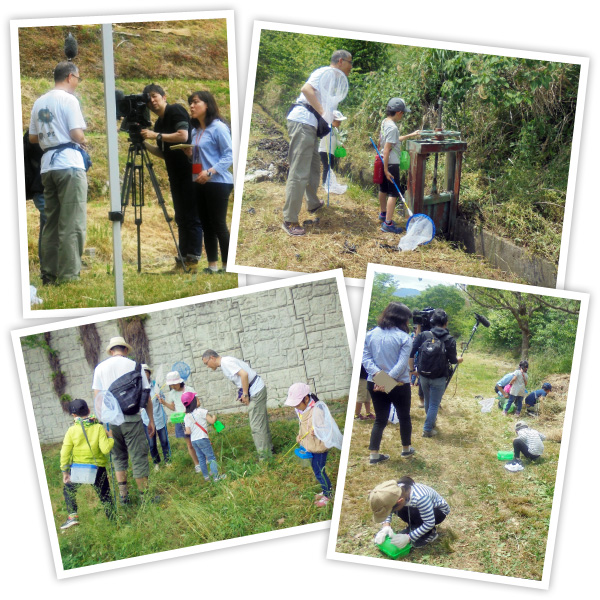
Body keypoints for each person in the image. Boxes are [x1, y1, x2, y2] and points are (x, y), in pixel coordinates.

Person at [28, 61, 88, 285]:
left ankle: (49, 274)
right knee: (72, 222)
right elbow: (76, 134)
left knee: (51, 222)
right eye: (77, 79)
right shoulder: (68, 99)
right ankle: (69, 275)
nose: (77, 83)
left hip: (48, 167)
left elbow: (33, 138)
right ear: (70, 77)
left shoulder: (39, 101)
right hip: (69, 164)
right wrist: (84, 140)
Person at [282, 50, 352, 237]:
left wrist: (330, 114)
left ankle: (313, 203)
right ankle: (289, 220)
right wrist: (323, 112)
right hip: (303, 122)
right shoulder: (325, 72)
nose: (351, 67)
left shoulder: (334, 79)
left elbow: (323, 103)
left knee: (313, 167)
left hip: (311, 126)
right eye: (350, 62)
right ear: (340, 61)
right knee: (299, 171)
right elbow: (306, 89)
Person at [140, 84, 202, 266]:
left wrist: (155, 135)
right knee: (180, 215)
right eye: (148, 99)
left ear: (163, 97)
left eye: (154, 96)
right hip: (175, 173)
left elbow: (183, 136)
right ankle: (183, 254)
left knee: (192, 214)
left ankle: (195, 254)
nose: (152, 101)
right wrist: (144, 143)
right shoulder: (159, 124)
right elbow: (163, 152)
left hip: (192, 168)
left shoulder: (176, 111)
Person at [92, 336, 155, 504]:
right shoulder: (135, 366)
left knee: (118, 457)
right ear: (125, 350)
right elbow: (146, 396)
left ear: (111, 351)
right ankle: (145, 497)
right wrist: (151, 421)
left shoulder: (100, 368)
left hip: (112, 421)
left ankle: (123, 497)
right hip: (132, 418)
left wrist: (102, 422)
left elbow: (97, 396)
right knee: (138, 456)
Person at [186, 91, 233, 273]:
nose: (191, 106)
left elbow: (229, 154)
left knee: (218, 223)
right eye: (190, 103)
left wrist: (210, 172)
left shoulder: (218, 128)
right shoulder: (195, 131)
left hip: (218, 182)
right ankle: (212, 266)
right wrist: (190, 156)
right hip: (200, 181)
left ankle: (227, 265)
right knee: (206, 225)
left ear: (207, 105)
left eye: (195, 102)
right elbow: (198, 159)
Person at [362, 302, 415, 463]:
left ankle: (374, 455)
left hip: (374, 382)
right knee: (404, 416)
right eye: (407, 319)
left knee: (380, 418)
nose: (408, 323)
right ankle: (406, 449)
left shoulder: (369, 334)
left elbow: (365, 358)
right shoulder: (404, 338)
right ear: (401, 319)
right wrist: (387, 380)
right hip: (399, 384)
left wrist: (379, 377)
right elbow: (401, 364)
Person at [202, 350, 273, 460]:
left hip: (256, 391)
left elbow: (244, 374)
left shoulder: (226, 363)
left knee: (256, 426)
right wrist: (242, 393)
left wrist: (245, 394)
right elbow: (242, 378)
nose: (207, 366)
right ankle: (268, 450)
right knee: (260, 422)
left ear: (212, 358)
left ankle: (265, 458)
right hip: (256, 388)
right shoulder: (226, 362)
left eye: (206, 363)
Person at [59, 399, 115, 530]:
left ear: (74, 416)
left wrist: (65, 472)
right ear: (89, 411)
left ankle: (73, 515)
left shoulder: (71, 431)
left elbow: (65, 453)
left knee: (68, 489)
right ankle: (114, 522)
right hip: (97, 468)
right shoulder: (99, 427)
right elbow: (106, 449)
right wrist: (111, 437)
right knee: (105, 497)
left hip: (79, 469)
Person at [285, 383, 343, 508]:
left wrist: (317, 430)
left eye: (297, 403)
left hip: (319, 448)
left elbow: (327, 428)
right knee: (316, 469)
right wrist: (299, 436)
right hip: (311, 446)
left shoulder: (317, 410)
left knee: (319, 472)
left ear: (306, 398)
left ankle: (328, 495)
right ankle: (325, 489)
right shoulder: (301, 409)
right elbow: (302, 425)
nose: (295, 406)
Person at [409, 309, 463, 438]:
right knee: (434, 403)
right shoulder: (449, 339)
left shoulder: (423, 335)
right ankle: (427, 429)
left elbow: (411, 353)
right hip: (439, 376)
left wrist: (412, 370)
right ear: (446, 322)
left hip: (423, 374)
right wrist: (459, 359)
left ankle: (431, 423)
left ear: (432, 321)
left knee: (428, 400)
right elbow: (453, 360)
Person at [377, 98, 420, 233]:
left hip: (384, 160)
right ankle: (388, 224)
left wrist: (411, 135)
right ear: (399, 112)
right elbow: (387, 148)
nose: (403, 115)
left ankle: (383, 214)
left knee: (383, 189)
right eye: (403, 113)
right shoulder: (393, 127)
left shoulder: (385, 122)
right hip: (391, 164)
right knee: (393, 193)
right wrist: (386, 170)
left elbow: (383, 142)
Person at [370, 477, 450, 549]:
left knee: (413, 513)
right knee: (399, 509)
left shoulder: (420, 498)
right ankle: (415, 527)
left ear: (400, 501)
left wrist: (409, 537)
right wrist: (386, 526)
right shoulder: (394, 492)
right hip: (417, 508)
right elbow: (388, 506)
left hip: (437, 512)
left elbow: (429, 522)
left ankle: (429, 533)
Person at [181, 391, 226, 481]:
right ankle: (216, 477)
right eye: (196, 398)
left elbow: (188, 432)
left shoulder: (186, 416)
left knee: (201, 458)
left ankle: (206, 476)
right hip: (203, 438)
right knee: (211, 457)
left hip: (194, 441)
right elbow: (212, 421)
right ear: (194, 401)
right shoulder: (201, 411)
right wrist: (214, 417)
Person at [162, 370, 199, 468]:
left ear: (179, 381)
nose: (173, 386)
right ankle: (197, 464)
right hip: (181, 421)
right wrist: (164, 403)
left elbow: (198, 403)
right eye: (171, 385)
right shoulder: (172, 393)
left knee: (198, 440)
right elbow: (173, 407)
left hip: (192, 418)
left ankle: (205, 458)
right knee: (189, 444)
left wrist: (188, 410)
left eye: (174, 384)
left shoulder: (189, 389)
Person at [140, 364, 171, 470]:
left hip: (159, 417)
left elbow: (162, 398)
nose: (144, 375)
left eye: (146, 372)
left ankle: (168, 461)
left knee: (164, 441)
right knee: (152, 444)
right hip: (146, 420)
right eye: (142, 373)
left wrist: (160, 398)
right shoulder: (139, 389)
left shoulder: (155, 386)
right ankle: (156, 463)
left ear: (149, 374)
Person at [319, 110, 346, 185]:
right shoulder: (327, 128)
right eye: (338, 121)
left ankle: (329, 182)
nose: (339, 123)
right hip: (324, 150)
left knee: (331, 166)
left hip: (331, 151)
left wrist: (341, 144)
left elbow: (336, 140)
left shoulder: (335, 130)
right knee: (327, 167)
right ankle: (325, 183)